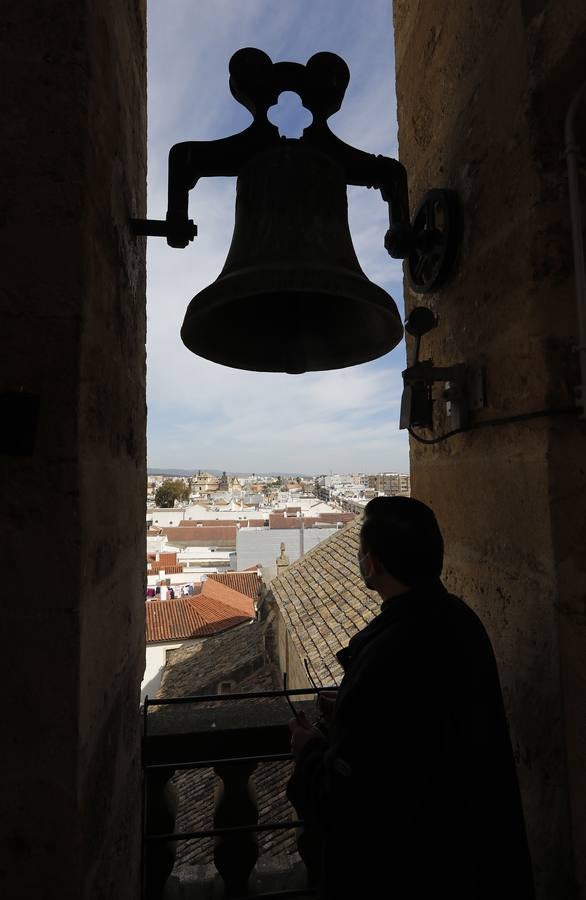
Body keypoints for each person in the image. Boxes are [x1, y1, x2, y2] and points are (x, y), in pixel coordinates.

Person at [287, 496, 535, 900]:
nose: (361, 560)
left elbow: (354, 803)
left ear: (375, 564)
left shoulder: (387, 653)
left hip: (406, 873)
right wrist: (351, 705)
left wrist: (309, 750)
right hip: (467, 858)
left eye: (362, 552)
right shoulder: (461, 621)